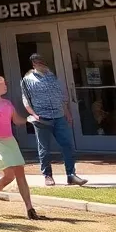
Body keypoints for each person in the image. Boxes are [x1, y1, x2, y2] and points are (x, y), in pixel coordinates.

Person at [0, 76, 41, 220]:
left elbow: (17, 120)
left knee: (19, 173)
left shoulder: (7, 103)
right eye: (1, 84)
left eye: (5, 83)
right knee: (9, 175)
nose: (5, 86)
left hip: (10, 141)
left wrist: (30, 119)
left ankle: (30, 209)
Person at [21, 54, 88, 187]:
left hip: (59, 116)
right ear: (33, 64)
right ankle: (47, 175)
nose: (42, 65)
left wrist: (67, 113)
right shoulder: (27, 80)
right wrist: (34, 114)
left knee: (67, 145)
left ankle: (71, 175)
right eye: (38, 63)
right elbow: (26, 100)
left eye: (43, 62)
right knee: (44, 148)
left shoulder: (52, 77)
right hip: (42, 118)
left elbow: (60, 96)